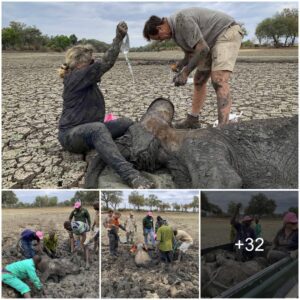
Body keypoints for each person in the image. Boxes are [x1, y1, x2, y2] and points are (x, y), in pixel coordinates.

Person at [57, 20, 153, 189]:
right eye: (91, 63)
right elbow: (106, 62)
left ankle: (134, 149)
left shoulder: (82, 75)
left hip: (90, 129)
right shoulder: (76, 77)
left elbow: (101, 64)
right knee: (97, 128)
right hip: (71, 136)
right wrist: (118, 38)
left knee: (125, 122)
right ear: (80, 65)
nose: (93, 66)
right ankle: (130, 175)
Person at [143, 7, 243, 128]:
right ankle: (193, 121)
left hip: (226, 32)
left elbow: (202, 49)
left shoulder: (181, 20)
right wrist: (180, 65)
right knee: (199, 80)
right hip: (208, 43)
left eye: (159, 37)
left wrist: (185, 73)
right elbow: (191, 55)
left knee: (219, 79)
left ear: (160, 28)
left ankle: (224, 128)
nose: (161, 41)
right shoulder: (175, 34)